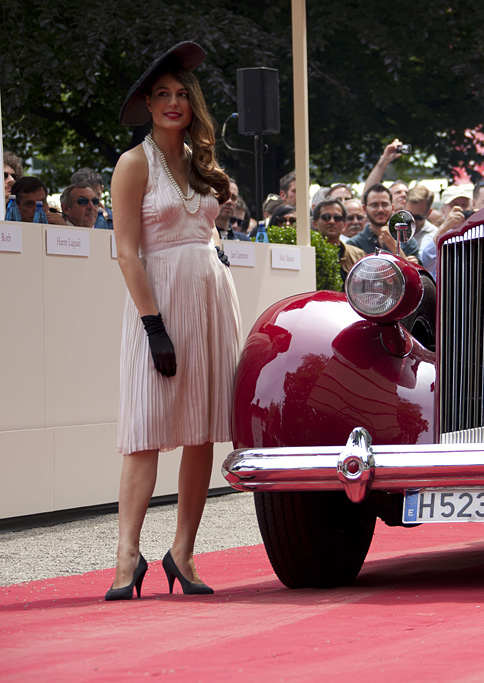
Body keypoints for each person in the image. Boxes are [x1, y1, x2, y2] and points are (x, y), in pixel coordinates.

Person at [107, 41, 242, 600]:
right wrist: (152, 326)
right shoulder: (133, 162)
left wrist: (212, 248)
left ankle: (183, 553)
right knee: (144, 431)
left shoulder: (199, 161)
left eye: (182, 95)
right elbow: (126, 251)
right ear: (146, 102)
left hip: (210, 301)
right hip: (159, 307)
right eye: (162, 94)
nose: (173, 103)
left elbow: (200, 224)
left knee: (201, 432)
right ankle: (126, 558)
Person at [348, 183, 419, 260]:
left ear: (392, 207)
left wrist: (395, 248)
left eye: (385, 204)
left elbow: (417, 271)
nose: (380, 210)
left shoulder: (407, 241)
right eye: (374, 205)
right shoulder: (354, 244)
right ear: (364, 209)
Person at [420, 184, 473, 277]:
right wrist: (444, 228)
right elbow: (426, 263)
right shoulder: (431, 236)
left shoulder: (478, 234)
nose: (460, 209)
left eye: (464, 205)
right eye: (454, 205)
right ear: (443, 211)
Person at [313, 198, 365, 283]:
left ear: (344, 225)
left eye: (337, 218)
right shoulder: (309, 254)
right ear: (315, 224)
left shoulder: (358, 255)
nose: (332, 221)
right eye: (326, 217)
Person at [405, 184, 438, 251]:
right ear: (403, 206)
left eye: (418, 217)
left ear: (429, 213)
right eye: (408, 215)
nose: (412, 221)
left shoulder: (435, 235)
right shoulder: (393, 229)